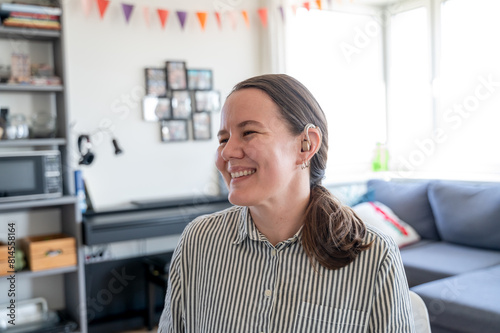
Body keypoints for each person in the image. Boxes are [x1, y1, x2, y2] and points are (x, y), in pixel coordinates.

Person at [158, 74, 415, 332]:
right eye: (223, 139)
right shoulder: (198, 240)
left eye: (248, 133)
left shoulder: (375, 256)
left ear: (306, 145)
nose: (227, 152)